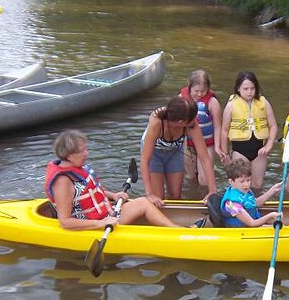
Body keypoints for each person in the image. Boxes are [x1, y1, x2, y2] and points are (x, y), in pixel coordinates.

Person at [45, 129, 185, 230]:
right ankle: (179, 233)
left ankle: (176, 230)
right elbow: (65, 222)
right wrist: (100, 224)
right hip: (92, 225)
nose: (86, 153)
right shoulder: (62, 181)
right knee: (143, 203)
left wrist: (113, 195)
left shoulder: (78, 168)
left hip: (107, 215)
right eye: (82, 151)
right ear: (69, 155)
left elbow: (92, 190)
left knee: (143, 201)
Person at [141, 96, 217, 206]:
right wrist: (149, 194)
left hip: (174, 151)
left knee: (175, 196)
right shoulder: (157, 122)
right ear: (181, 122)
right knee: (158, 198)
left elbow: (204, 158)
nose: (196, 120)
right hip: (154, 154)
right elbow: (145, 161)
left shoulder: (192, 125)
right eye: (193, 118)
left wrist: (212, 191)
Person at [218, 70, 278, 192]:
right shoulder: (231, 105)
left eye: (252, 88)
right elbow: (224, 130)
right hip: (240, 150)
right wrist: (225, 154)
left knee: (257, 185)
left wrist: (269, 145)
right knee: (239, 183)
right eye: (245, 89)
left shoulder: (264, 103)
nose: (249, 92)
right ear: (238, 88)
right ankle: (237, 208)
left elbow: (273, 125)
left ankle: (254, 206)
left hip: (260, 150)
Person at [180, 70, 222, 188]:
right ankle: (194, 194)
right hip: (188, 144)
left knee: (204, 180)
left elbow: (218, 126)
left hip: (207, 144)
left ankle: (206, 194)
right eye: (196, 91)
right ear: (190, 87)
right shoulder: (181, 99)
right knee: (191, 176)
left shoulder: (212, 102)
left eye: (202, 91)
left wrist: (218, 147)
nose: (199, 94)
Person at [219, 159, 283, 227]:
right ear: (231, 182)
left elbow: (255, 203)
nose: (246, 184)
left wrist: (273, 190)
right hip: (242, 230)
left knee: (282, 227)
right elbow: (252, 223)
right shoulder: (232, 204)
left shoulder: (242, 190)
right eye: (242, 181)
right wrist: (271, 215)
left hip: (253, 224)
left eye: (248, 180)